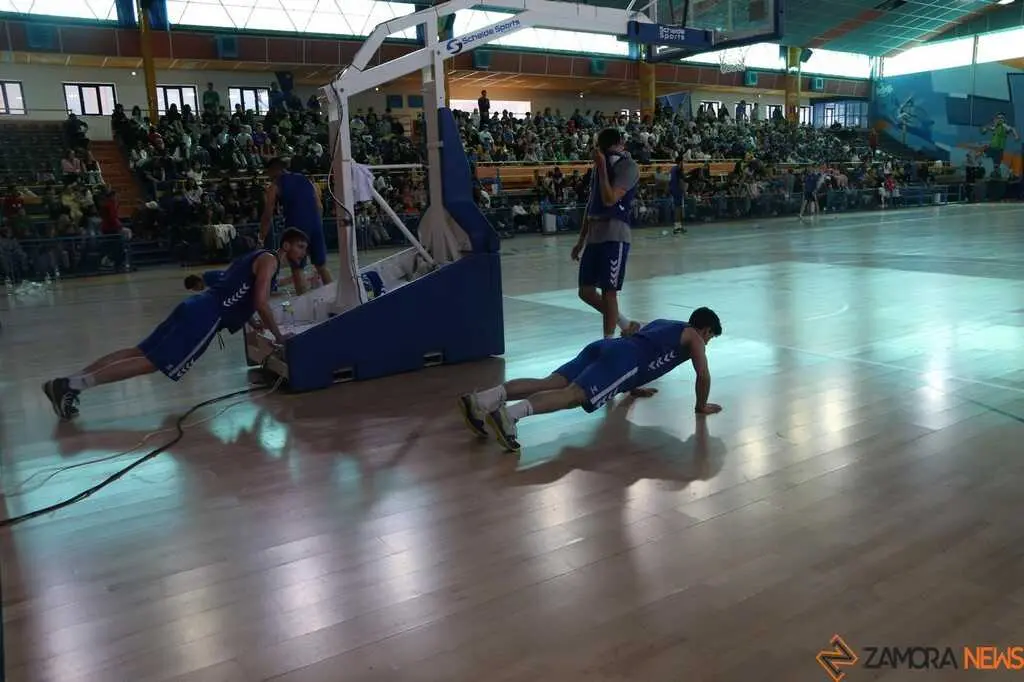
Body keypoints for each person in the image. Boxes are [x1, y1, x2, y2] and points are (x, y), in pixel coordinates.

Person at [42, 229, 309, 421]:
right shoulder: (271, 261)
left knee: (139, 352)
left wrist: (251, 320)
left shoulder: (258, 256)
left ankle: (66, 382)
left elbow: (239, 293)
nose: (303, 252)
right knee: (151, 363)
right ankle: (72, 385)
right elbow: (261, 302)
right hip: (207, 315)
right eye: (300, 246)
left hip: (198, 306)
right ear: (286, 245)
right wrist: (279, 335)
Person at [458, 307, 723, 452]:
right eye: (710, 336)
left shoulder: (666, 322)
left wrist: (632, 385)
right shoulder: (695, 337)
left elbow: (639, 338)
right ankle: (509, 416)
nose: (707, 341)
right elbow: (703, 375)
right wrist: (701, 406)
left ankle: (480, 400)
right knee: (573, 396)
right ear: (706, 329)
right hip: (623, 360)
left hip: (607, 348)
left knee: (550, 382)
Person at [571, 128, 641, 339]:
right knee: (586, 291)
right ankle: (624, 323)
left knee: (609, 292)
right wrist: (581, 240)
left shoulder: (627, 166)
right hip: (595, 233)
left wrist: (602, 168)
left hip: (614, 233)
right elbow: (592, 205)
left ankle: (608, 342)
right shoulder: (598, 169)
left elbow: (610, 199)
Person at [258, 157, 331, 295]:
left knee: (297, 268)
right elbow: (319, 206)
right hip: (315, 224)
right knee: (321, 266)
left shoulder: (275, 186)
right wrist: (315, 226)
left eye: (268, 173)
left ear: (274, 170)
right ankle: (334, 299)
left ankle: (304, 307)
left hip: (296, 228)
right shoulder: (306, 180)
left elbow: (268, 214)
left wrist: (261, 236)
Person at [668, 156, 688, 235]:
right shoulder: (679, 169)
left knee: (678, 208)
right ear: (680, 162)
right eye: (683, 162)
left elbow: (670, 180)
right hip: (678, 190)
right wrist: (684, 191)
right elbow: (681, 181)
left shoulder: (672, 169)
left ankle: (679, 226)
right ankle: (676, 227)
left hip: (673, 189)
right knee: (678, 208)